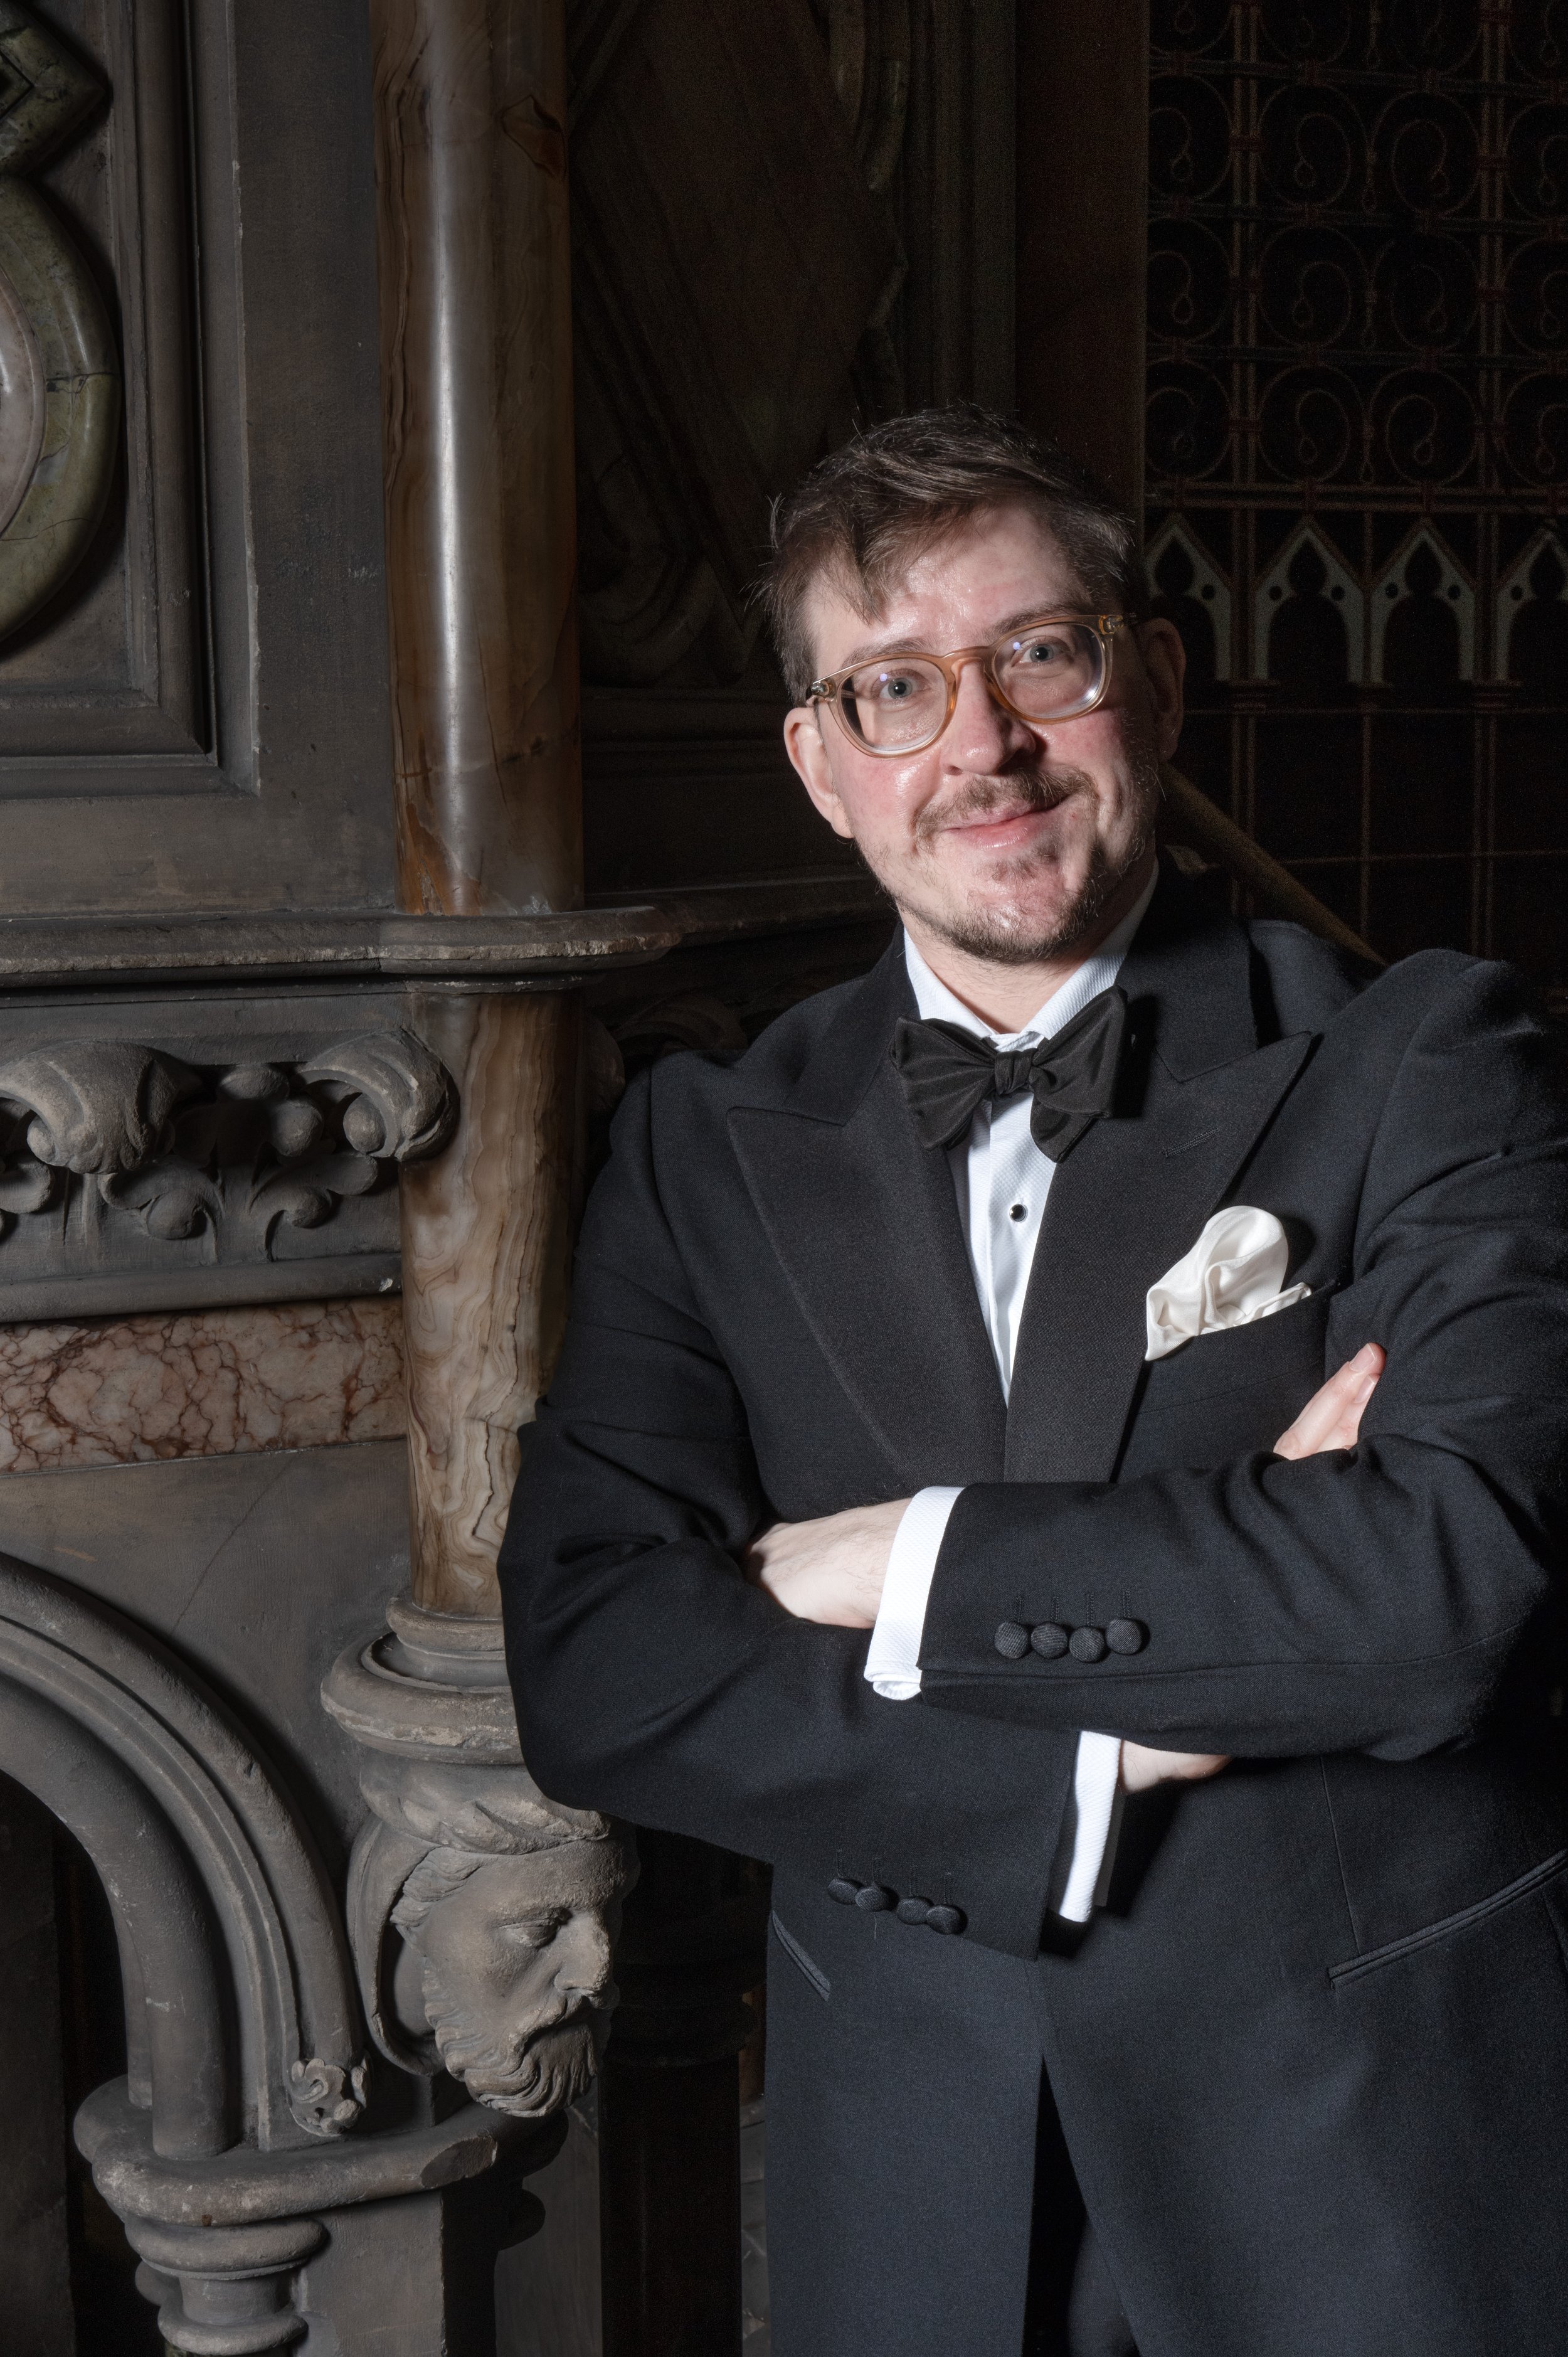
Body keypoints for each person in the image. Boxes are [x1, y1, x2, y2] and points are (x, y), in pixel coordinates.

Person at [499, 406, 1568, 2356]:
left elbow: (1439, 1592)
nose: (978, 747)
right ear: (822, 770)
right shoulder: (699, 1140)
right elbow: (593, 1667)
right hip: (907, 2164)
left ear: (1149, 682)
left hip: (1360, 2149)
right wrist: (1117, 1743)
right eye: (893, 691)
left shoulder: (1425, 1057)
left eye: (1038, 660)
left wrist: (886, 1563)